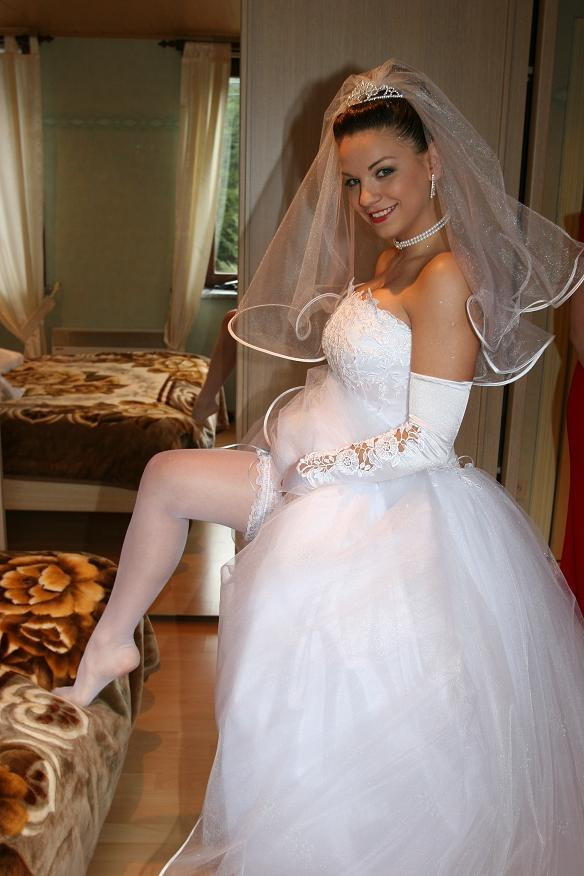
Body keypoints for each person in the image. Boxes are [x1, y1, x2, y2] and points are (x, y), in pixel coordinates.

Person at [54, 60, 584, 874]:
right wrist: (288, 450)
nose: (368, 196)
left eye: (385, 172)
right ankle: (110, 646)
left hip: (383, 503)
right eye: (353, 181)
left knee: (313, 685)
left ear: (433, 162)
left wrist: (319, 470)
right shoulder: (391, 261)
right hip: (309, 467)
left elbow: (428, 441)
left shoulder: (445, 277)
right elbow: (351, 381)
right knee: (166, 476)